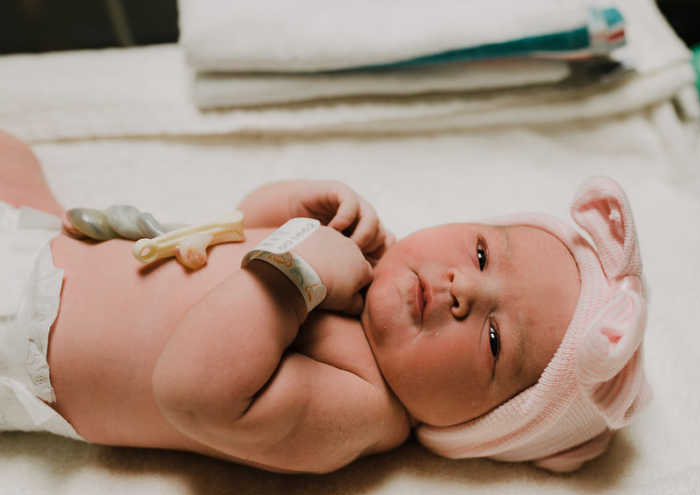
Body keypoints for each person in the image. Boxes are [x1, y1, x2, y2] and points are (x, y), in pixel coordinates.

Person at [0, 131, 649, 474]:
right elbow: (233, 235)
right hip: (60, 240)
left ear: (473, 425)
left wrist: (298, 269)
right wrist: (287, 212)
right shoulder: (364, 266)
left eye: (494, 341)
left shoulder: (363, 406)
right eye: (481, 254)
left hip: (27, 330)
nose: (464, 289)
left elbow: (192, 390)